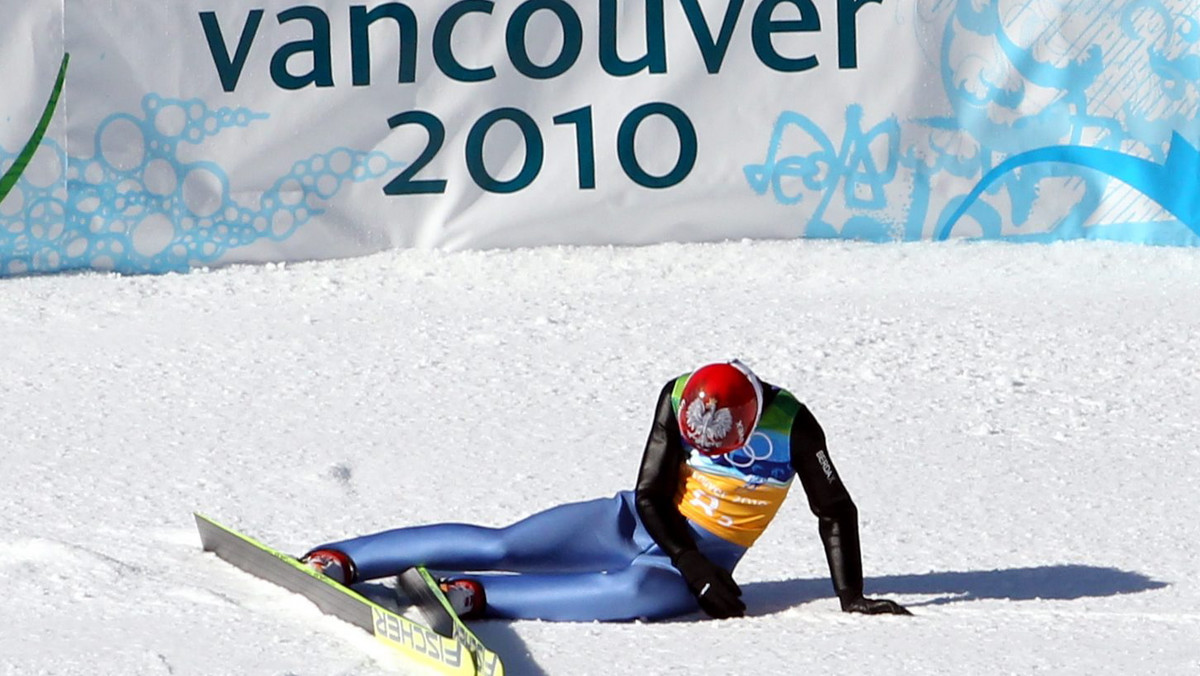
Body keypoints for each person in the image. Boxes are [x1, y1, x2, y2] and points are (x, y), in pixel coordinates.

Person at [303, 360, 909, 621]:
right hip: (637, 523)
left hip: (692, 563)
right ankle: (345, 557)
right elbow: (649, 494)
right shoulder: (678, 394)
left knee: (631, 590)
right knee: (507, 544)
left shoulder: (794, 424)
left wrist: (851, 597)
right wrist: (690, 558)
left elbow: (835, 509)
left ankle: (472, 598)